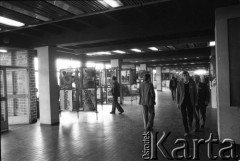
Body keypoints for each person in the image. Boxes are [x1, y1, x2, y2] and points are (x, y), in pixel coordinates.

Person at [177, 71, 199, 137]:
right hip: (182, 102)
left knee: (190, 116)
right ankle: (186, 130)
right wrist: (178, 103)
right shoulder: (180, 83)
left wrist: (196, 102)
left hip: (190, 102)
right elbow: (178, 93)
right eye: (184, 76)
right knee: (184, 116)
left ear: (188, 76)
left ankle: (190, 126)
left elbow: (195, 93)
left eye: (186, 75)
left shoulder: (192, 83)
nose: (185, 77)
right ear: (182, 77)